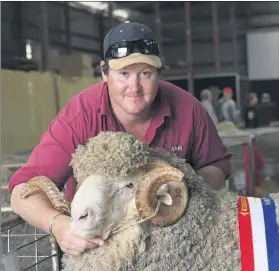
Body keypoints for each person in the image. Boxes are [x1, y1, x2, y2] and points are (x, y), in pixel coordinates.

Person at [8, 21, 231, 257]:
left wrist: (184, 195)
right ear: (104, 72)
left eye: (145, 73)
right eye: (123, 73)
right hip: (100, 246)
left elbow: (217, 164)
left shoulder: (188, 109)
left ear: (158, 73)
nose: (134, 87)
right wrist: (59, 225)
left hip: (173, 246)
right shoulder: (80, 116)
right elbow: (22, 188)